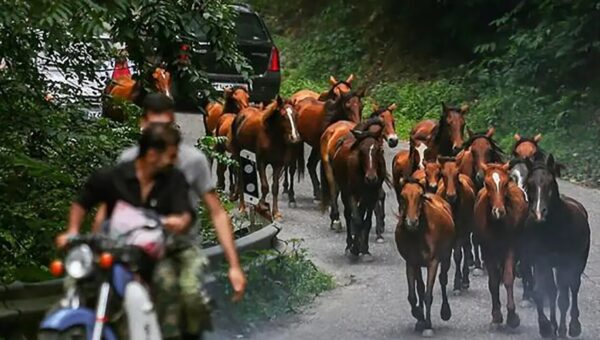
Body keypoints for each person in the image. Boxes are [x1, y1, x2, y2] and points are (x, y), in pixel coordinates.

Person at [96, 93, 246, 339]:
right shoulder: (128, 160)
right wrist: (96, 243)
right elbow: (109, 206)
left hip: (180, 247)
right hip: (134, 247)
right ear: (142, 123)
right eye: (153, 125)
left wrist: (234, 265)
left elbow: (217, 212)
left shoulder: (192, 161)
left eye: (164, 125)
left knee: (188, 297)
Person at [56, 123, 192, 250]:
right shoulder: (112, 177)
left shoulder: (175, 179)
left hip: (158, 252)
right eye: (172, 156)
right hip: (112, 250)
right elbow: (82, 203)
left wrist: (179, 222)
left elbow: (183, 212)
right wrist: (72, 232)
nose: (175, 161)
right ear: (152, 155)